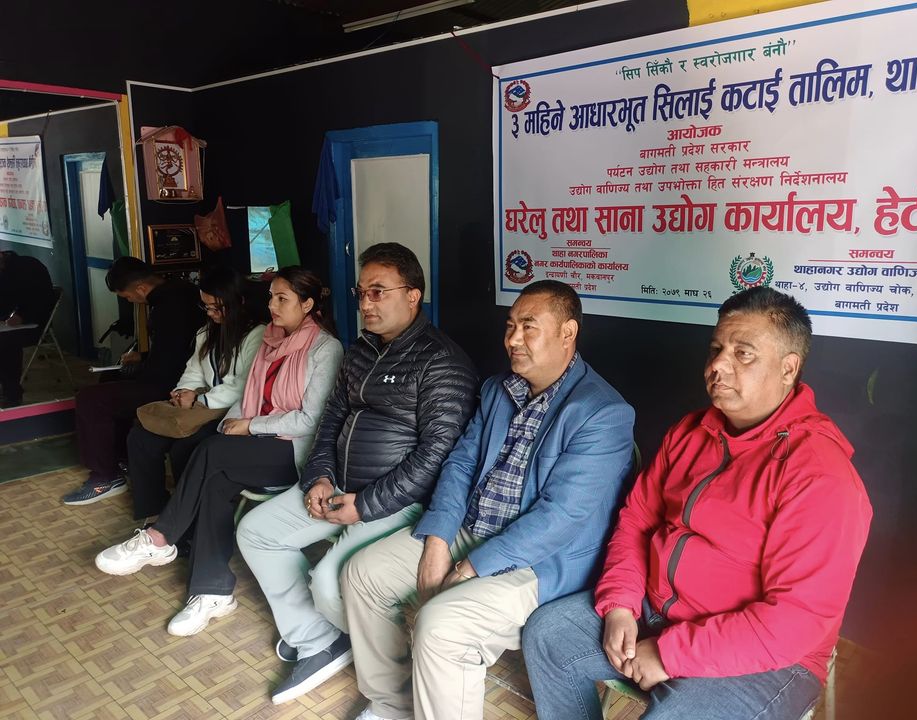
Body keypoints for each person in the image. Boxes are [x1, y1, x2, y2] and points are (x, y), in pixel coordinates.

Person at [521, 286, 873, 720]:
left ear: (788, 368)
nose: (718, 365)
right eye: (716, 349)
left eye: (743, 353)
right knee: (548, 635)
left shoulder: (820, 476)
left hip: (765, 658)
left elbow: (794, 622)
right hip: (657, 610)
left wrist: (669, 654)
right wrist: (620, 604)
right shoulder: (690, 431)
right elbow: (637, 519)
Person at [341, 279, 636, 720]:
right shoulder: (499, 389)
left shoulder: (603, 412)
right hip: (471, 530)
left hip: (539, 562)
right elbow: (460, 464)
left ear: (567, 333)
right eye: (510, 325)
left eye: (529, 327)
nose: (513, 339)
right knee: (363, 574)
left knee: (441, 627)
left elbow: (560, 518)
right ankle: (392, 705)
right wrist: (438, 541)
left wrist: (469, 568)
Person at [237, 242, 478, 705]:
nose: (366, 303)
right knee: (256, 532)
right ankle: (318, 639)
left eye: (378, 292)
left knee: (329, 584)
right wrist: (319, 477)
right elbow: (331, 418)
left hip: (398, 502)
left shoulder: (441, 361)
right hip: (337, 489)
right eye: (361, 292)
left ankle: (395, 676)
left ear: (413, 295)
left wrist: (364, 506)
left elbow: (438, 455)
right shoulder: (362, 349)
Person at [94, 266, 344, 637]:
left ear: (307, 304)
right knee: (214, 478)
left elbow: (311, 419)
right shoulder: (271, 339)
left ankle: (160, 538)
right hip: (258, 441)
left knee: (210, 451)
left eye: (282, 299)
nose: (272, 306)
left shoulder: (325, 348)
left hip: (294, 450)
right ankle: (212, 592)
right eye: (271, 297)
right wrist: (233, 422)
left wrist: (249, 426)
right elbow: (249, 395)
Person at [125, 266, 267, 521]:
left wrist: (200, 400)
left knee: (186, 447)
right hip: (199, 408)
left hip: (231, 411)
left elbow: (245, 386)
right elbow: (194, 371)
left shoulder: (257, 334)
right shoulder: (206, 333)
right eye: (206, 307)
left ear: (239, 301)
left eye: (216, 307)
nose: (211, 313)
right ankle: (154, 511)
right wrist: (184, 392)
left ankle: (189, 517)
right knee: (141, 437)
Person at [63, 257, 204, 504]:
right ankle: (121, 458)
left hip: (175, 385)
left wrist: (141, 367)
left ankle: (105, 477)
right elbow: (177, 349)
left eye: (128, 296)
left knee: (90, 399)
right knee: (109, 379)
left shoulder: (168, 308)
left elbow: (167, 366)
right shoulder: (182, 292)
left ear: (140, 288)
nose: (130, 301)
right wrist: (142, 357)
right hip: (177, 372)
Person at [0, 249, 56, 408]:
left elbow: (43, 302)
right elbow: (4, 304)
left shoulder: (29, 267)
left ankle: (12, 395)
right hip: (13, 324)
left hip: (36, 323)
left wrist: (23, 317)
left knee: (7, 342)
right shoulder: (4, 273)